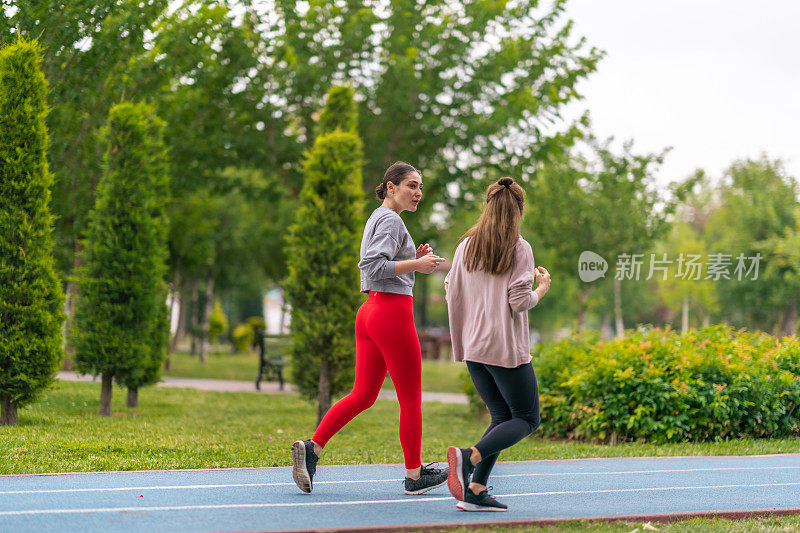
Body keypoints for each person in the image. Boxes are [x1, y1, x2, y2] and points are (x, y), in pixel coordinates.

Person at [292, 162, 448, 495]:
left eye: (420, 187)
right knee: (410, 399)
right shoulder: (391, 220)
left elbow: (382, 265)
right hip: (391, 313)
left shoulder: (379, 217)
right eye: (411, 185)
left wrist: (412, 259)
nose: (418, 192)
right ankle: (415, 475)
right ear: (391, 187)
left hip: (371, 312)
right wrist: (417, 265)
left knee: (363, 395)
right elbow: (374, 266)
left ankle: (312, 448)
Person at [443, 177, 551, 512]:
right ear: (519, 209)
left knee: (501, 416)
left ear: (487, 207)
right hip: (504, 349)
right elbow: (519, 302)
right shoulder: (519, 247)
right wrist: (542, 287)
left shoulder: (465, 247)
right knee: (527, 418)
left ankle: (475, 490)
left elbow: (450, 289)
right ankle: (468, 457)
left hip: (474, 347)